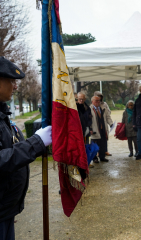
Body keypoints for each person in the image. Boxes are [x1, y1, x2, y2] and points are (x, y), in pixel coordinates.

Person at [0, 56, 52, 240]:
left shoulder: (3, 113)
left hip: (5, 209)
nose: (15, 86)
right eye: (11, 81)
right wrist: (36, 142)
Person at [90, 96, 113, 163]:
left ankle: (102, 157)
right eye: (96, 100)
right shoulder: (89, 109)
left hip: (103, 129)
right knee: (94, 145)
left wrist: (111, 124)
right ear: (92, 101)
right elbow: (88, 120)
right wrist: (90, 129)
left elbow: (108, 117)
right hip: (95, 129)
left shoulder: (104, 108)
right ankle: (94, 158)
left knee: (103, 143)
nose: (98, 102)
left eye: (99, 100)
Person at [94, 91, 112, 156]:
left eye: (100, 96)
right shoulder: (93, 105)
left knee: (105, 138)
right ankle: (98, 152)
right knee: (97, 139)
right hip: (97, 125)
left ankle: (105, 150)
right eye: (98, 96)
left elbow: (108, 112)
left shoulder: (104, 104)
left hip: (104, 124)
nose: (99, 98)